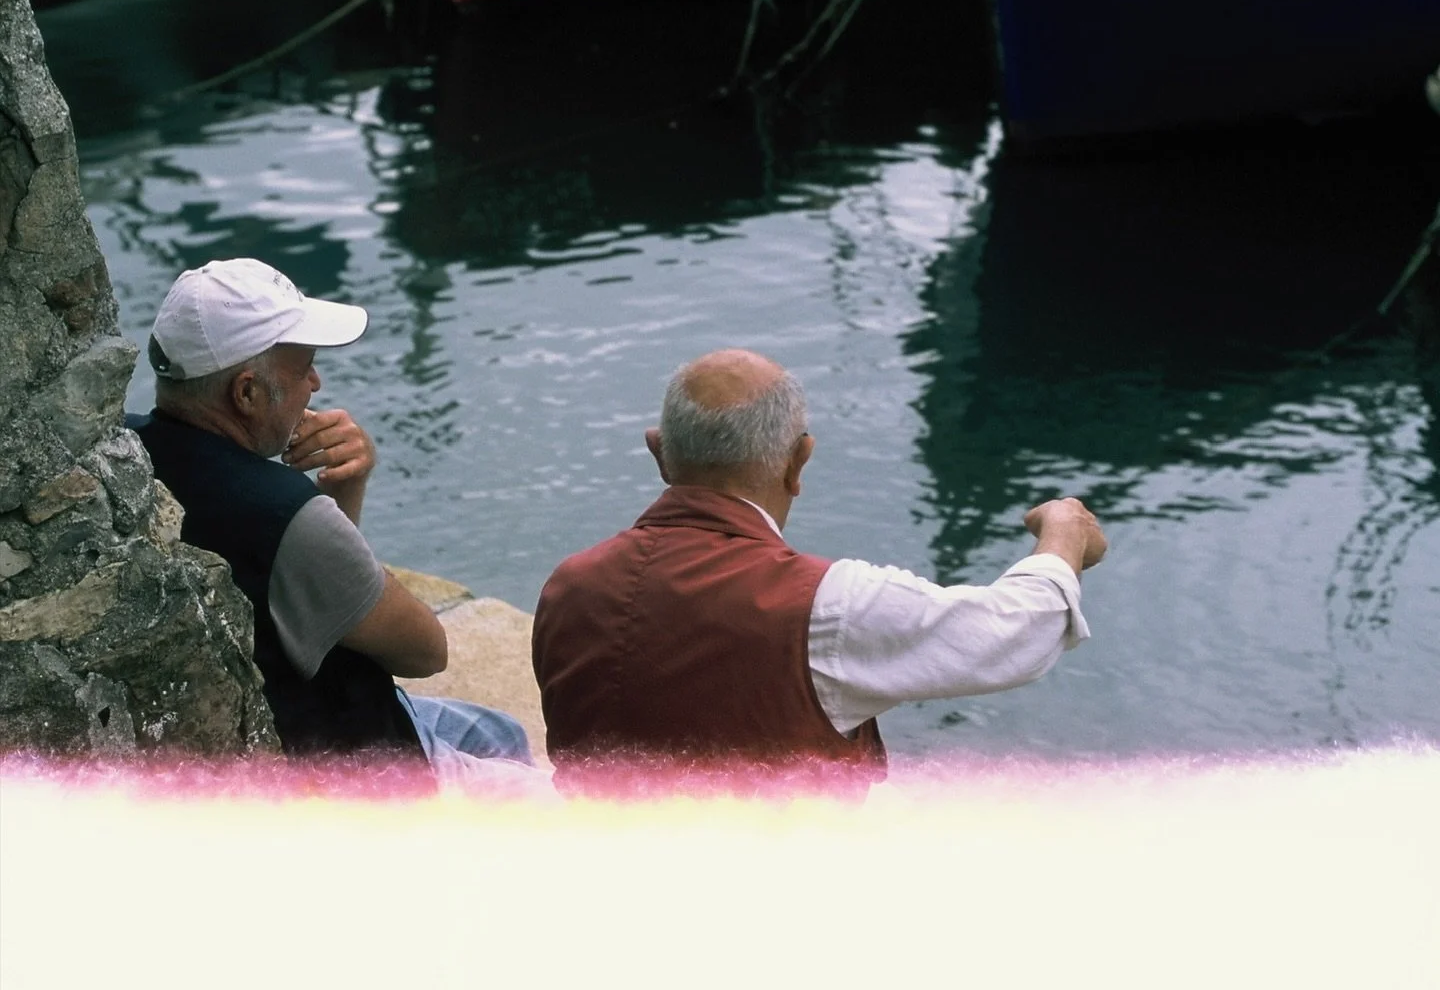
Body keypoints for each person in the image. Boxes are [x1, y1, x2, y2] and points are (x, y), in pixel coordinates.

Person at [532, 348, 1107, 789]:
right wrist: (1064, 533)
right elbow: (1017, 631)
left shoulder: (568, 585)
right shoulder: (825, 606)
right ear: (798, 460)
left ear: (659, 451)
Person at [131, 257, 533, 781]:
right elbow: (425, 650)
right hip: (355, 762)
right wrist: (320, 509)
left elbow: (313, 590)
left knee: (500, 732)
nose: (316, 384)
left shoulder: (126, 454)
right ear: (246, 392)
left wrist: (344, 487)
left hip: (274, 729)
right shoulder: (283, 514)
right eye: (303, 368)